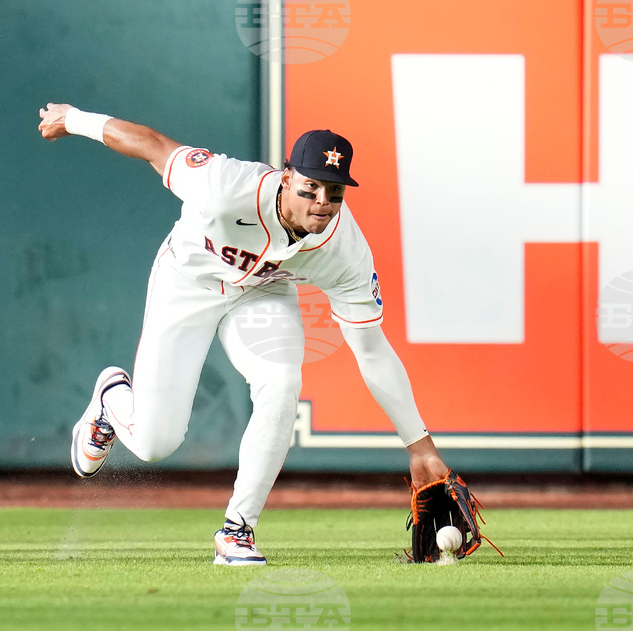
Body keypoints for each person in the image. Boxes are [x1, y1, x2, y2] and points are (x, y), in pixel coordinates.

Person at [38, 103, 454, 566]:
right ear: (285, 177)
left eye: (333, 192)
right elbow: (152, 145)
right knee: (156, 444)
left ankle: (237, 530)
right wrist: (74, 120)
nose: (320, 202)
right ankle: (111, 399)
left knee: (282, 384)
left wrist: (420, 446)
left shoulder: (344, 249)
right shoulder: (224, 185)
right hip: (188, 283)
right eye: (309, 186)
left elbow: (371, 349)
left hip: (261, 296)